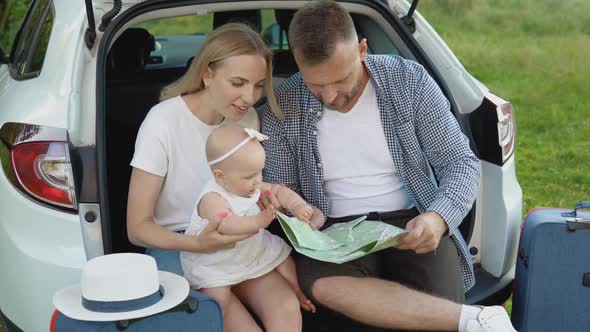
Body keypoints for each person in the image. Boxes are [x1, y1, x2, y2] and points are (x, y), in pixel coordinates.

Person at [259, 1, 517, 331]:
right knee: (321, 285)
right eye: (315, 85)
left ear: (362, 50)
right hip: (331, 233)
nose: (329, 95)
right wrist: (302, 216)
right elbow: (281, 187)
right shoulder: (283, 104)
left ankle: (472, 318)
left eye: (340, 79)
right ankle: (475, 320)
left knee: (442, 293)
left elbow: (459, 162)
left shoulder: (409, 81)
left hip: (412, 221)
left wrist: (437, 219)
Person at [126, 23, 279, 283]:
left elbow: (245, 188)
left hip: (236, 237)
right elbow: (137, 228)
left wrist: (271, 200)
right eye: (238, 83)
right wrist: (197, 244)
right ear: (208, 75)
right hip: (176, 243)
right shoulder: (163, 120)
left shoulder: (249, 118)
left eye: (258, 85)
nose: (250, 97)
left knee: (285, 305)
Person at [180, 124, 321, 331]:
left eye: (260, 172)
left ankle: (296, 291)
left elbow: (278, 191)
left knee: (284, 264)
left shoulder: (251, 185)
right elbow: (228, 224)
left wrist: (298, 205)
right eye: (249, 176)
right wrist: (259, 220)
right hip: (216, 264)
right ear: (221, 177)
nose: (258, 181)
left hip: (250, 255)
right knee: (217, 299)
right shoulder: (212, 199)